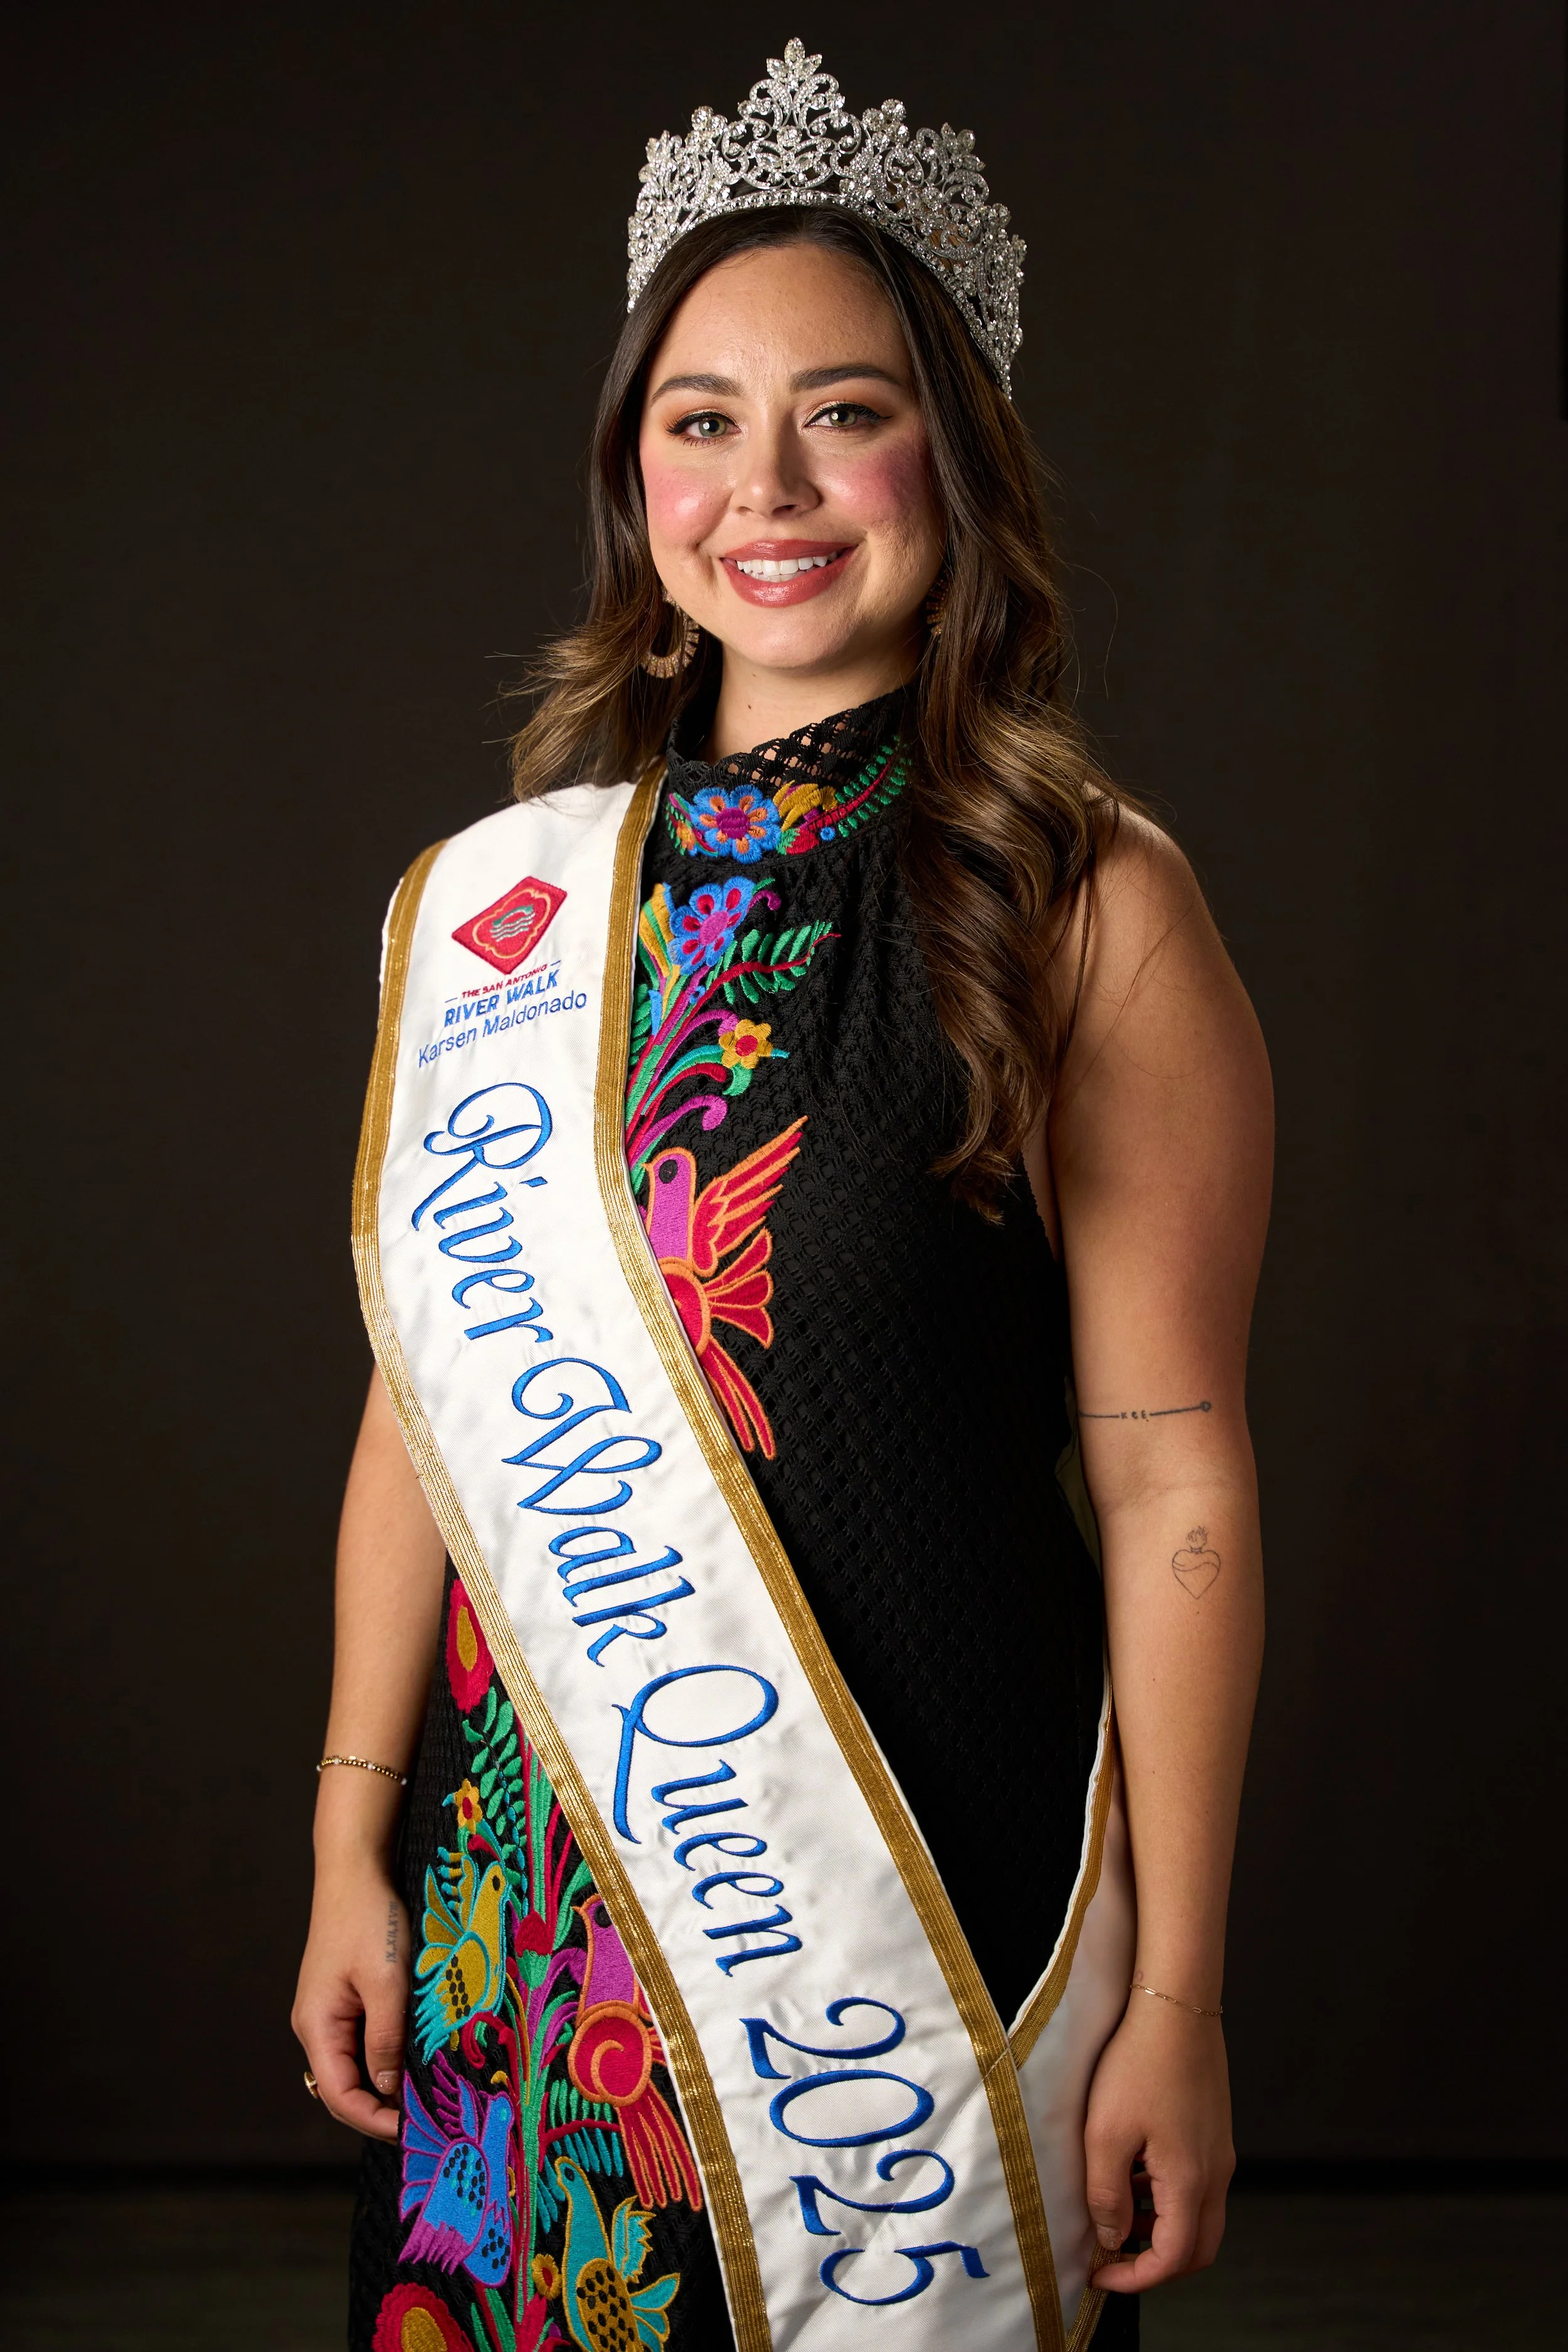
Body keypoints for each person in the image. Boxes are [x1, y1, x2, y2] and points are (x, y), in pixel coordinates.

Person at [292, 42, 1270, 2352]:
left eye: (844, 408)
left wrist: (1188, 1985)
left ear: (956, 455)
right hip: (522, 1907)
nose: (772, 483)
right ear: (635, 486)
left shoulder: (1075, 898)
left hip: (893, 1907)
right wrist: (350, 1828)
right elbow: (420, 1414)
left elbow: (1172, 1477)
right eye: (702, 419)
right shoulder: (501, 914)